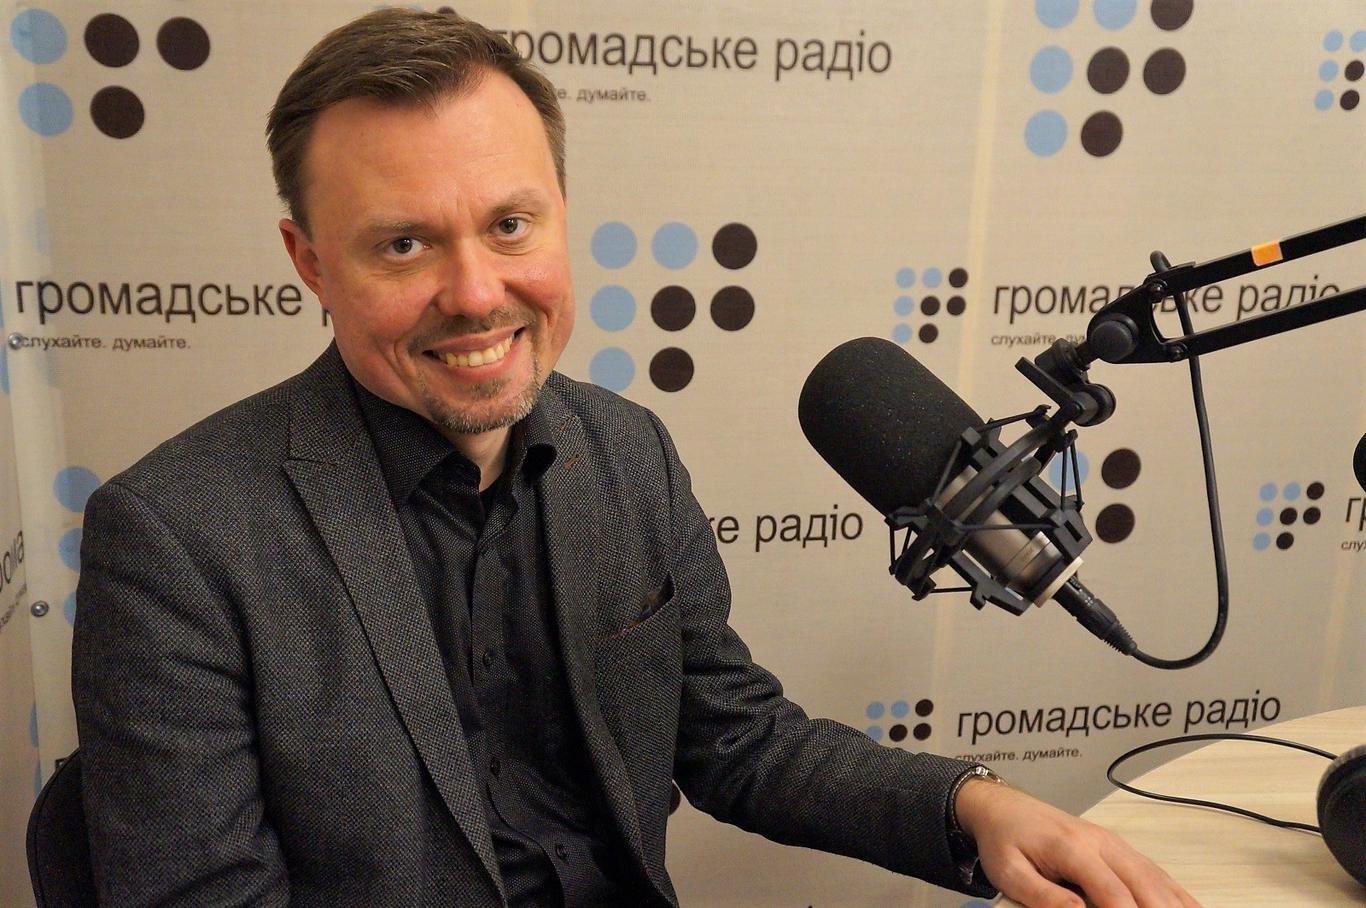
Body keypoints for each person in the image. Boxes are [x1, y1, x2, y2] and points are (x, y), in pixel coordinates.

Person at [72, 9, 1197, 908]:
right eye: (404, 243)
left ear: (562, 214)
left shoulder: (625, 450)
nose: (475, 292)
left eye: (510, 224)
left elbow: (736, 738)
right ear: (311, 262)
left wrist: (971, 806)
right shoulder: (175, 538)